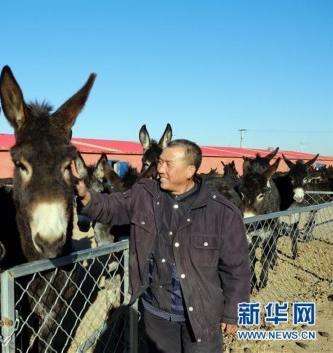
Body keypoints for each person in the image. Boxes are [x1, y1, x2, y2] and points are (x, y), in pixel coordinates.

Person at [75, 139, 251, 353]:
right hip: (156, 314)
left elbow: (237, 267)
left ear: (190, 170)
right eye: (159, 162)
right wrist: (86, 197)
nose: (159, 169)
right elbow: (112, 207)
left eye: (168, 164)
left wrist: (233, 311)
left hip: (202, 318)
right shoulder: (144, 194)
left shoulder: (222, 211)